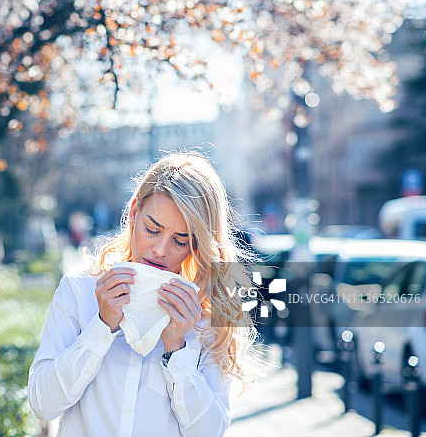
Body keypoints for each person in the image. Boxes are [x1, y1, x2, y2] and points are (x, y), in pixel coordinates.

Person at [28, 150, 257, 437]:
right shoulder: (79, 291)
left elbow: (210, 432)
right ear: (134, 213)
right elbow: (42, 405)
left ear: (196, 246)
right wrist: (101, 327)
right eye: (152, 229)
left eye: (179, 241)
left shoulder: (206, 318)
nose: (160, 250)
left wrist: (177, 350)